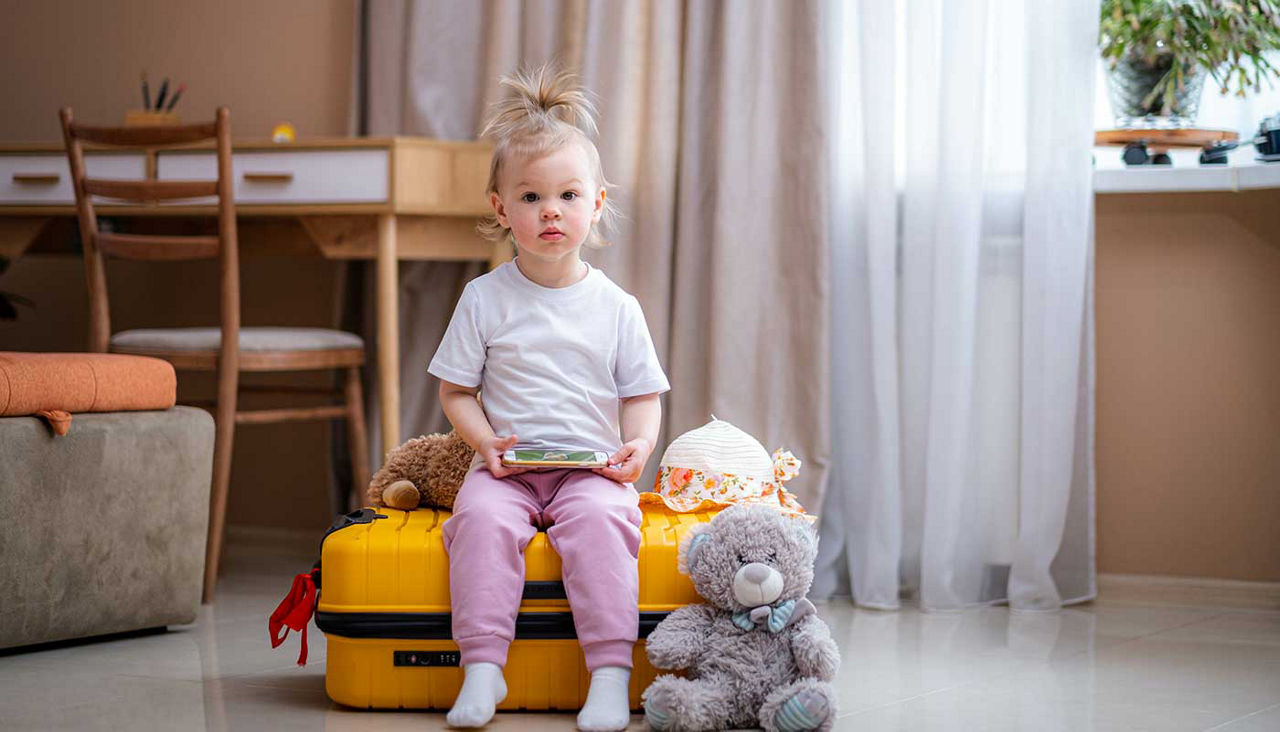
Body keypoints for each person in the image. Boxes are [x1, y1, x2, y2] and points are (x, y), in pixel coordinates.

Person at [429, 64, 669, 731]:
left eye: (567, 195)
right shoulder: (484, 299)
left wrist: (639, 445)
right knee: (476, 525)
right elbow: (457, 390)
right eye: (531, 198)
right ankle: (483, 669)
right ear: (501, 209)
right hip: (506, 472)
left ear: (596, 204)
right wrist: (484, 443)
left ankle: (609, 676)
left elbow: (643, 395)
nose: (550, 211)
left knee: (602, 526)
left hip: (590, 470)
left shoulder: (616, 307)